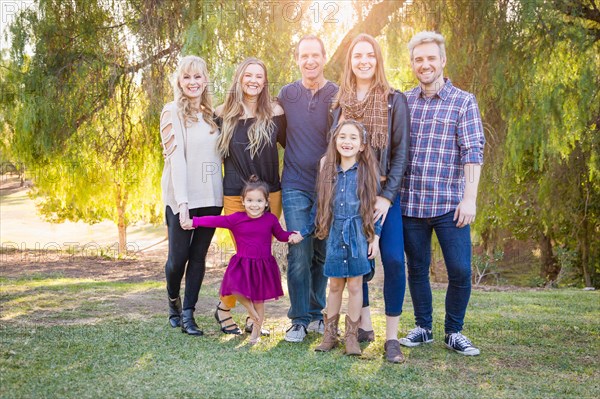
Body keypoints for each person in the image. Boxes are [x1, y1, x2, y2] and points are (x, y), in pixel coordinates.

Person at [399, 31, 485, 356]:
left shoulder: (463, 101)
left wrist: (470, 198)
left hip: (451, 205)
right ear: (412, 64)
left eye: (431, 58)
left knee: (460, 271)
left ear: (443, 61)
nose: (425, 64)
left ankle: (454, 330)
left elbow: (472, 151)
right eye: (419, 59)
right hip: (411, 203)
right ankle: (423, 327)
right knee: (417, 269)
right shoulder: (404, 102)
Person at [329, 33, 410, 363]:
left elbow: (402, 152)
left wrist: (387, 198)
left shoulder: (394, 100)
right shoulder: (339, 103)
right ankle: (361, 327)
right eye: (358, 55)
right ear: (350, 61)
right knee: (356, 263)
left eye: (370, 55)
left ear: (378, 60)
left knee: (391, 258)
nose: (364, 61)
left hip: (383, 194)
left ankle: (392, 339)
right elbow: (333, 150)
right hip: (350, 193)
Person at [290, 120, 381, 356]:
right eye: (342, 137)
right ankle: (330, 334)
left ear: (362, 145)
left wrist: (375, 237)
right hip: (334, 235)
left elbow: (375, 209)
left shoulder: (367, 172)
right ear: (335, 141)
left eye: (353, 138)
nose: (347, 142)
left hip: (358, 235)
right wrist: (305, 231)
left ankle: (352, 337)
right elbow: (318, 209)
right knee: (335, 285)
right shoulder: (327, 172)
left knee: (355, 285)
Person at [213, 57, 285, 336]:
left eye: (259, 76)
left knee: (261, 257)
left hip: (270, 196)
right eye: (248, 75)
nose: (253, 80)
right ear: (239, 78)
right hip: (235, 197)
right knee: (246, 256)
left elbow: (295, 145)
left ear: (265, 81)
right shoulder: (222, 113)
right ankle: (227, 308)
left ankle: (243, 316)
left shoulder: (276, 112)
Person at [278, 35, 339, 342]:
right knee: (298, 249)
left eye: (315, 54)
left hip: (328, 185)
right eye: (304, 55)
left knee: (321, 252)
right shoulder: (286, 94)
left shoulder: (337, 94)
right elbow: (278, 132)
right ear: (298, 59)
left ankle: (317, 313)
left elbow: (342, 138)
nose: (310, 60)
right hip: (294, 183)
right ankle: (298, 320)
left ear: (324, 57)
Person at [184, 176, 294, 344]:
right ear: (242, 201)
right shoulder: (237, 218)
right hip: (242, 263)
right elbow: (215, 220)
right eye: (249, 200)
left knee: (259, 299)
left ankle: (255, 334)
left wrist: (292, 236)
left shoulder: (270, 219)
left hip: (262, 264)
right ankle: (251, 312)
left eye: (259, 200)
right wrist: (194, 221)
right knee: (233, 288)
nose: (254, 204)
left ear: (266, 202)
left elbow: (280, 235)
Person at [160, 55, 223, 336]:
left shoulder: (213, 115)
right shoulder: (170, 111)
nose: (193, 82)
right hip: (181, 197)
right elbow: (177, 161)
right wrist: (183, 205)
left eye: (198, 77)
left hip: (211, 197)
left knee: (198, 257)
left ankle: (188, 315)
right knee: (178, 259)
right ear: (179, 81)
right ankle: (173, 299)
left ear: (205, 80)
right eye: (187, 77)